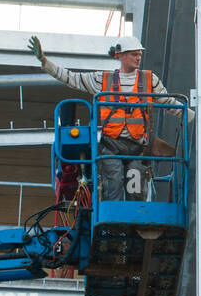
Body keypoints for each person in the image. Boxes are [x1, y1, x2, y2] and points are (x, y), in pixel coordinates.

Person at [28, 34, 186, 204]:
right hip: (112, 146)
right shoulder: (102, 80)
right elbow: (71, 78)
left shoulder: (150, 80)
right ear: (121, 55)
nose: (138, 58)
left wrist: (196, 116)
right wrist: (44, 60)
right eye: (134, 54)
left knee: (136, 190)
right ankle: (115, 224)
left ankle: (135, 222)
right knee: (114, 186)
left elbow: (169, 102)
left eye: (139, 54)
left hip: (138, 147)